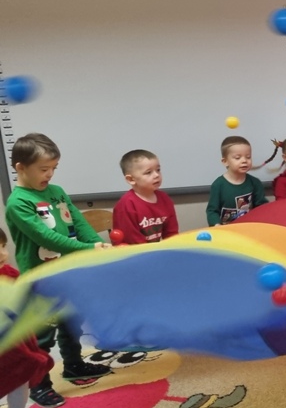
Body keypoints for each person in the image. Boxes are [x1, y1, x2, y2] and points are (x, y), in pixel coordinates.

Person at [4, 133, 112, 407]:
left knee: (72, 321)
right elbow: (46, 238)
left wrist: (97, 243)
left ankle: (74, 365)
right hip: (40, 280)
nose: (50, 174)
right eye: (43, 169)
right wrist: (88, 249)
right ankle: (39, 384)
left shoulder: (58, 192)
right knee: (42, 335)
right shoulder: (18, 202)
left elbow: (78, 222)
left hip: (69, 273)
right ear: (20, 167)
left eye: (54, 168)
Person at [0, 228, 56, 408]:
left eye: (3, 246)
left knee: (20, 378)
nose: (2, 253)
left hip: (17, 343)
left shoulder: (9, 274)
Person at [112, 149, 179, 244]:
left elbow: (171, 234)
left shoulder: (164, 198)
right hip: (133, 251)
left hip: (154, 250)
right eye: (148, 172)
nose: (156, 175)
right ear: (131, 179)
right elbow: (133, 242)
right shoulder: (126, 205)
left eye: (158, 170)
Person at [206, 136, 268, 226]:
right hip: (226, 230)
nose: (244, 161)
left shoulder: (255, 183)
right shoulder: (218, 185)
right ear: (225, 161)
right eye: (238, 158)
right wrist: (216, 225)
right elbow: (212, 211)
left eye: (248, 157)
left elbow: (262, 207)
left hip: (249, 228)